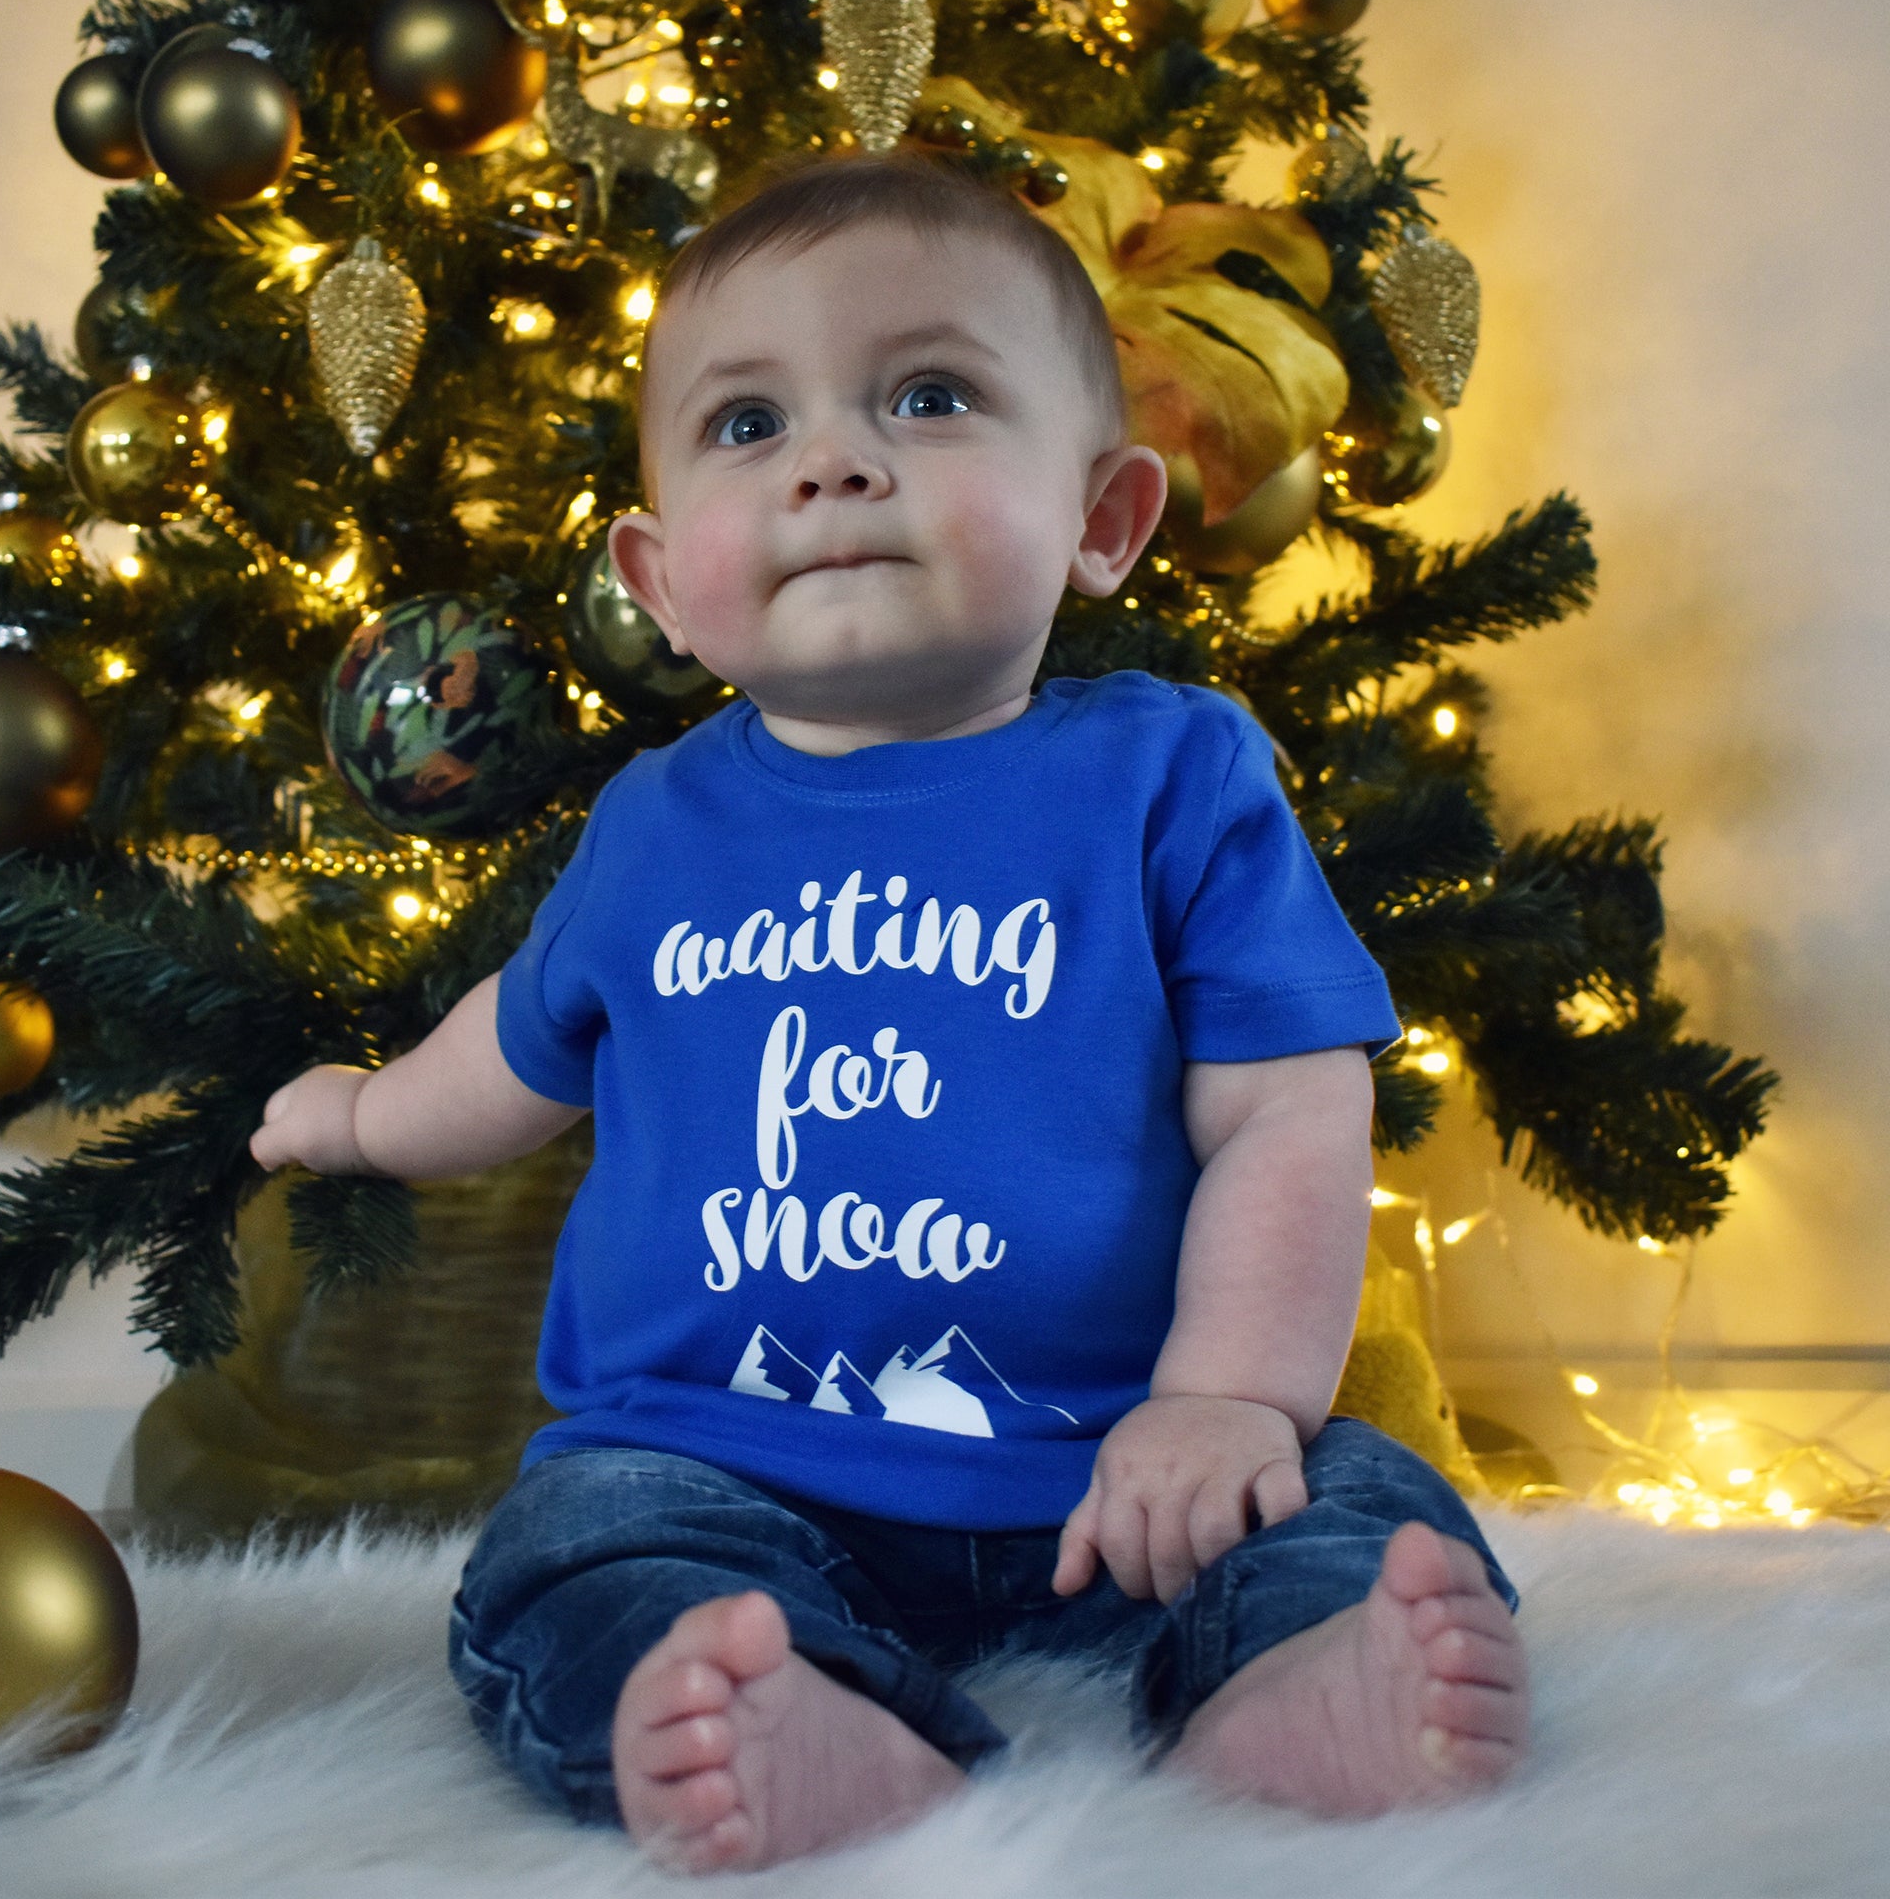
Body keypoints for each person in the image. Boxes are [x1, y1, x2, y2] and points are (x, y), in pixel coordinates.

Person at [250, 155, 1528, 1873]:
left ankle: (1303, 1689)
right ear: (662, 581)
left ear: (1104, 520)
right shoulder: (653, 825)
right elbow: (518, 1040)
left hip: (1123, 1467)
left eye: (930, 397)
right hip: (719, 1463)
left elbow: (1287, 1113)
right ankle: (801, 1722)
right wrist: (358, 1118)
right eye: (745, 425)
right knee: (580, 1555)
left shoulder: (1170, 777)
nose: (833, 462)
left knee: (1351, 1505)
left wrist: (1225, 1398)